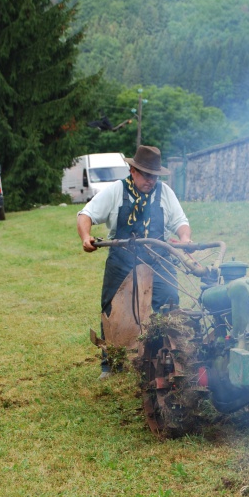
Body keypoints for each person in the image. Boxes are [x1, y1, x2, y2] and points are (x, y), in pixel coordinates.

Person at [77, 145, 192, 378]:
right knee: (111, 307)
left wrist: (185, 238)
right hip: (122, 257)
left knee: (170, 303)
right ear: (133, 171)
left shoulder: (165, 193)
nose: (151, 180)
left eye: (154, 176)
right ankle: (111, 364)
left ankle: (166, 357)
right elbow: (86, 214)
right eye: (147, 175)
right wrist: (86, 237)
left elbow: (180, 221)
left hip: (159, 256)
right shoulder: (116, 191)